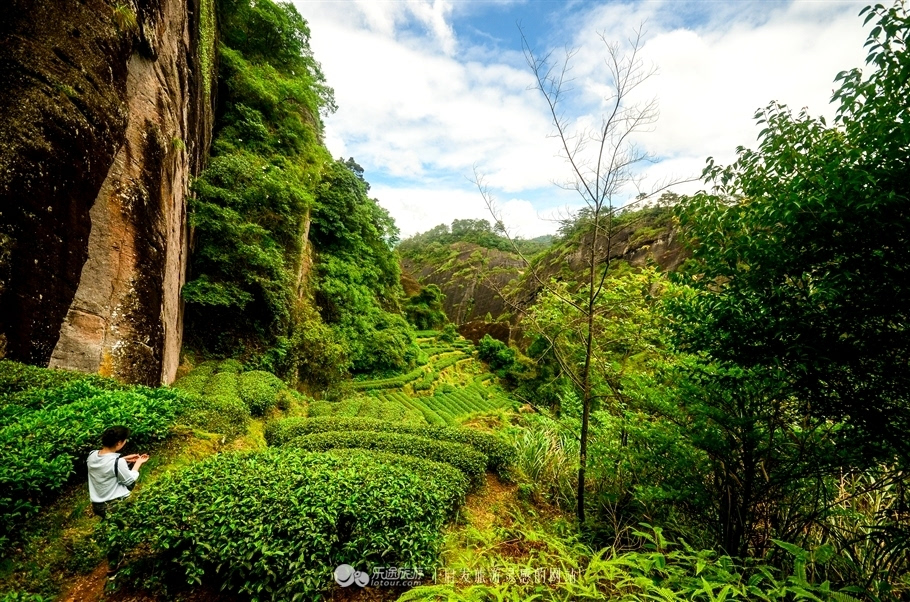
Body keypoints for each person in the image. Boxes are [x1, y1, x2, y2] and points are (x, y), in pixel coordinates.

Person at [87, 425, 149, 518]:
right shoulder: (118, 462)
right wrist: (138, 463)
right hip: (114, 504)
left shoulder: (92, 455)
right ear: (119, 443)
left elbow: (104, 466)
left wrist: (124, 460)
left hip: (97, 505)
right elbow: (130, 481)